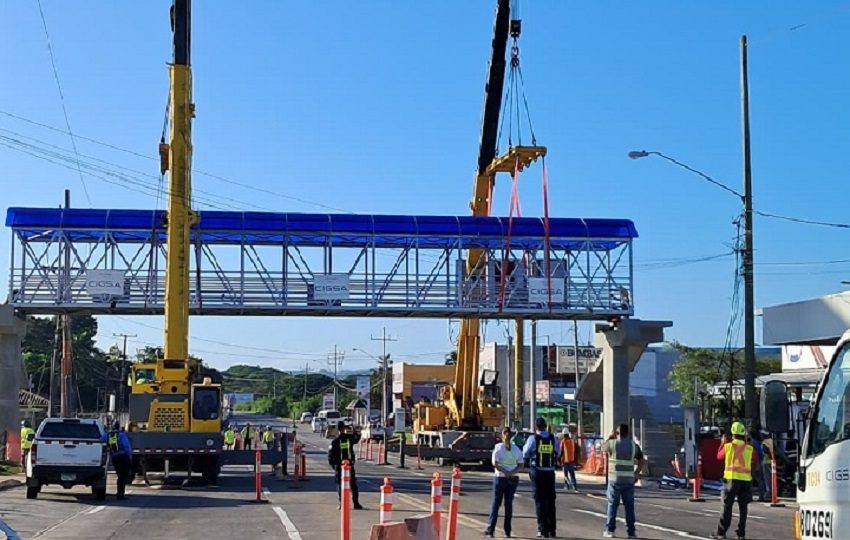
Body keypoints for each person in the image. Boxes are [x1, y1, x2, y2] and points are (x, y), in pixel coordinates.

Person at [710, 421, 759, 540]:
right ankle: (741, 533)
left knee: (727, 507)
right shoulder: (749, 448)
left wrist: (722, 443)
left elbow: (719, 456)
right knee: (743, 509)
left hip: (731, 480)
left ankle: (721, 533)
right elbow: (756, 459)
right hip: (746, 481)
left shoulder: (728, 446)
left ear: (732, 434)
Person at [603, 423, 646, 539]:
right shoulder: (633, 446)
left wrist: (611, 437)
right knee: (629, 507)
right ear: (628, 433)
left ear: (617, 433)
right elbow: (642, 459)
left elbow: (602, 448)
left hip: (615, 480)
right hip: (629, 480)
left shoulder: (612, 443)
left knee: (612, 505)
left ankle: (610, 530)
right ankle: (631, 533)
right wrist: (636, 473)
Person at [523, 417, 560, 538]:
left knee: (539, 501)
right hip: (550, 473)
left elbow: (525, 453)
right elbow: (558, 453)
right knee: (550, 501)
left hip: (537, 472)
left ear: (536, 427)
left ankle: (542, 530)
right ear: (546, 426)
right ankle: (552, 530)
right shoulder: (553, 439)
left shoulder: (533, 439)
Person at [484, 426, 524, 538]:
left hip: (502, 477)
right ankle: (505, 531)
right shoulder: (514, 449)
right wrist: (511, 472)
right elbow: (520, 465)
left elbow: (495, 464)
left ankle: (491, 530)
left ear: (503, 436)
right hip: (510, 478)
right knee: (507, 504)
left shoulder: (500, 447)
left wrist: (506, 472)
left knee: (497, 504)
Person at [327, 420, 363, 510]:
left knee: (340, 485)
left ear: (337, 429)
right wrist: (354, 429)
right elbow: (357, 438)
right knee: (353, 485)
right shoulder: (349, 438)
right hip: (349, 465)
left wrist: (334, 466)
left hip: (339, 466)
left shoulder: (335, 441)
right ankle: (356, 503)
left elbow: (330, 455)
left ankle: (342, 504)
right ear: (344, 428)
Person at [107, 421, 133, 500]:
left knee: (120, 476)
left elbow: (101, 440)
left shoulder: (109, 435)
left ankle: (120, 494)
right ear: (119, 427)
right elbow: (127, 447)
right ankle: (120, 494)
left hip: (115, 458)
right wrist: (130, 457)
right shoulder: (121, 435)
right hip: (123, 457)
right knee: (123, 477)